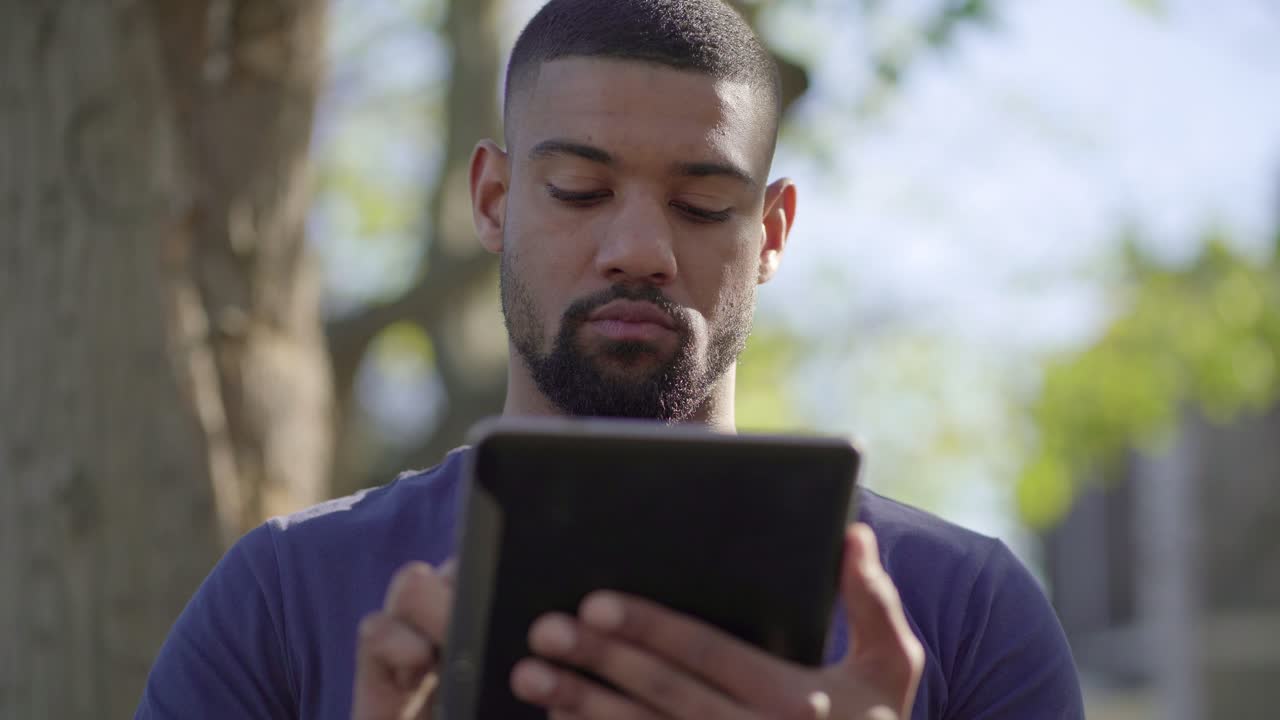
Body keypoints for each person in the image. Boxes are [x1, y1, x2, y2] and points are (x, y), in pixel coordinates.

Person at [136, 1, 1085, 718]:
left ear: (774, 231)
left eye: (704, 203)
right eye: (582, 189)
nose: (640, 248)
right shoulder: (283, 594)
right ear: (495, 200)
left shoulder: (963, 615)